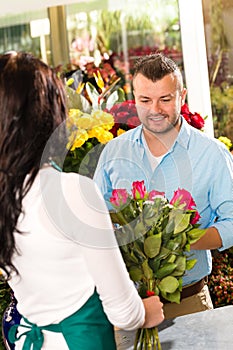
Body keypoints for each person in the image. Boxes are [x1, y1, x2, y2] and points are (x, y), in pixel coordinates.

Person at [0, 51, 164, 350]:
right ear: (48, 113)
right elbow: (123, 311)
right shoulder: (71, 192)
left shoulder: (7, 197)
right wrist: (146, 312)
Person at [94, 52, 233, 319]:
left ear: (182, 97)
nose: (155, 110)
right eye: (145, 100)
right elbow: (97, 218)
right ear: (134, 98)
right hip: (127, 307)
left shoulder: (212, 154)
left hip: (189, 303)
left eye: (165, 100)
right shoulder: (113, 153)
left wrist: (179, 240)